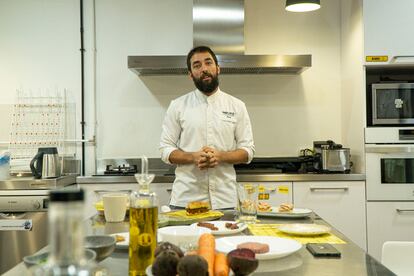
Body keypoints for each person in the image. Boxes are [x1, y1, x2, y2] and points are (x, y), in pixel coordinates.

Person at [159, 46, 255, 209]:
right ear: (190, 74)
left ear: (218, 68)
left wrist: (221, 156)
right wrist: (193, 157)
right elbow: (165, 149)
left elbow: (248, 151)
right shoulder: (178, 106)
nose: (204, 69)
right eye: (197, 65)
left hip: (226, 201)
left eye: (208, 63)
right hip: (186, 200)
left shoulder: (237, 106)